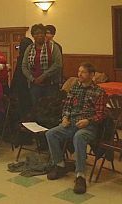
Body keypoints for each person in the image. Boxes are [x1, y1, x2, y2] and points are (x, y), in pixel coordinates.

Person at [45, 62, 106, 195]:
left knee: (79, 136)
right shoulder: (74, 88)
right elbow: (67, 106)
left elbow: (100, 115)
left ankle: (80, 175)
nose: (79, 74)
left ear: (91, 75)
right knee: (51, 134)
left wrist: (87, 121)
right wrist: (65, 117)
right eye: (79, 71)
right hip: (72, 123)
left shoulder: (99, 91)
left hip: (89, 126)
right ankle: (60, 165)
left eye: (83, 72)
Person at [21, 24, 63, 104]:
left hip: (50, 84)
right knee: (36, 108)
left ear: (44, 35)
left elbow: (58, 64)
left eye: (41, 33)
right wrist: (32, 79)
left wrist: (43, 76)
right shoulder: (29, 48)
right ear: (33, 35)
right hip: (35, 85)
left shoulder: (53, 47)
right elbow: (24, 66)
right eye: (36, 33)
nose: (39, 35)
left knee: (50, 107)